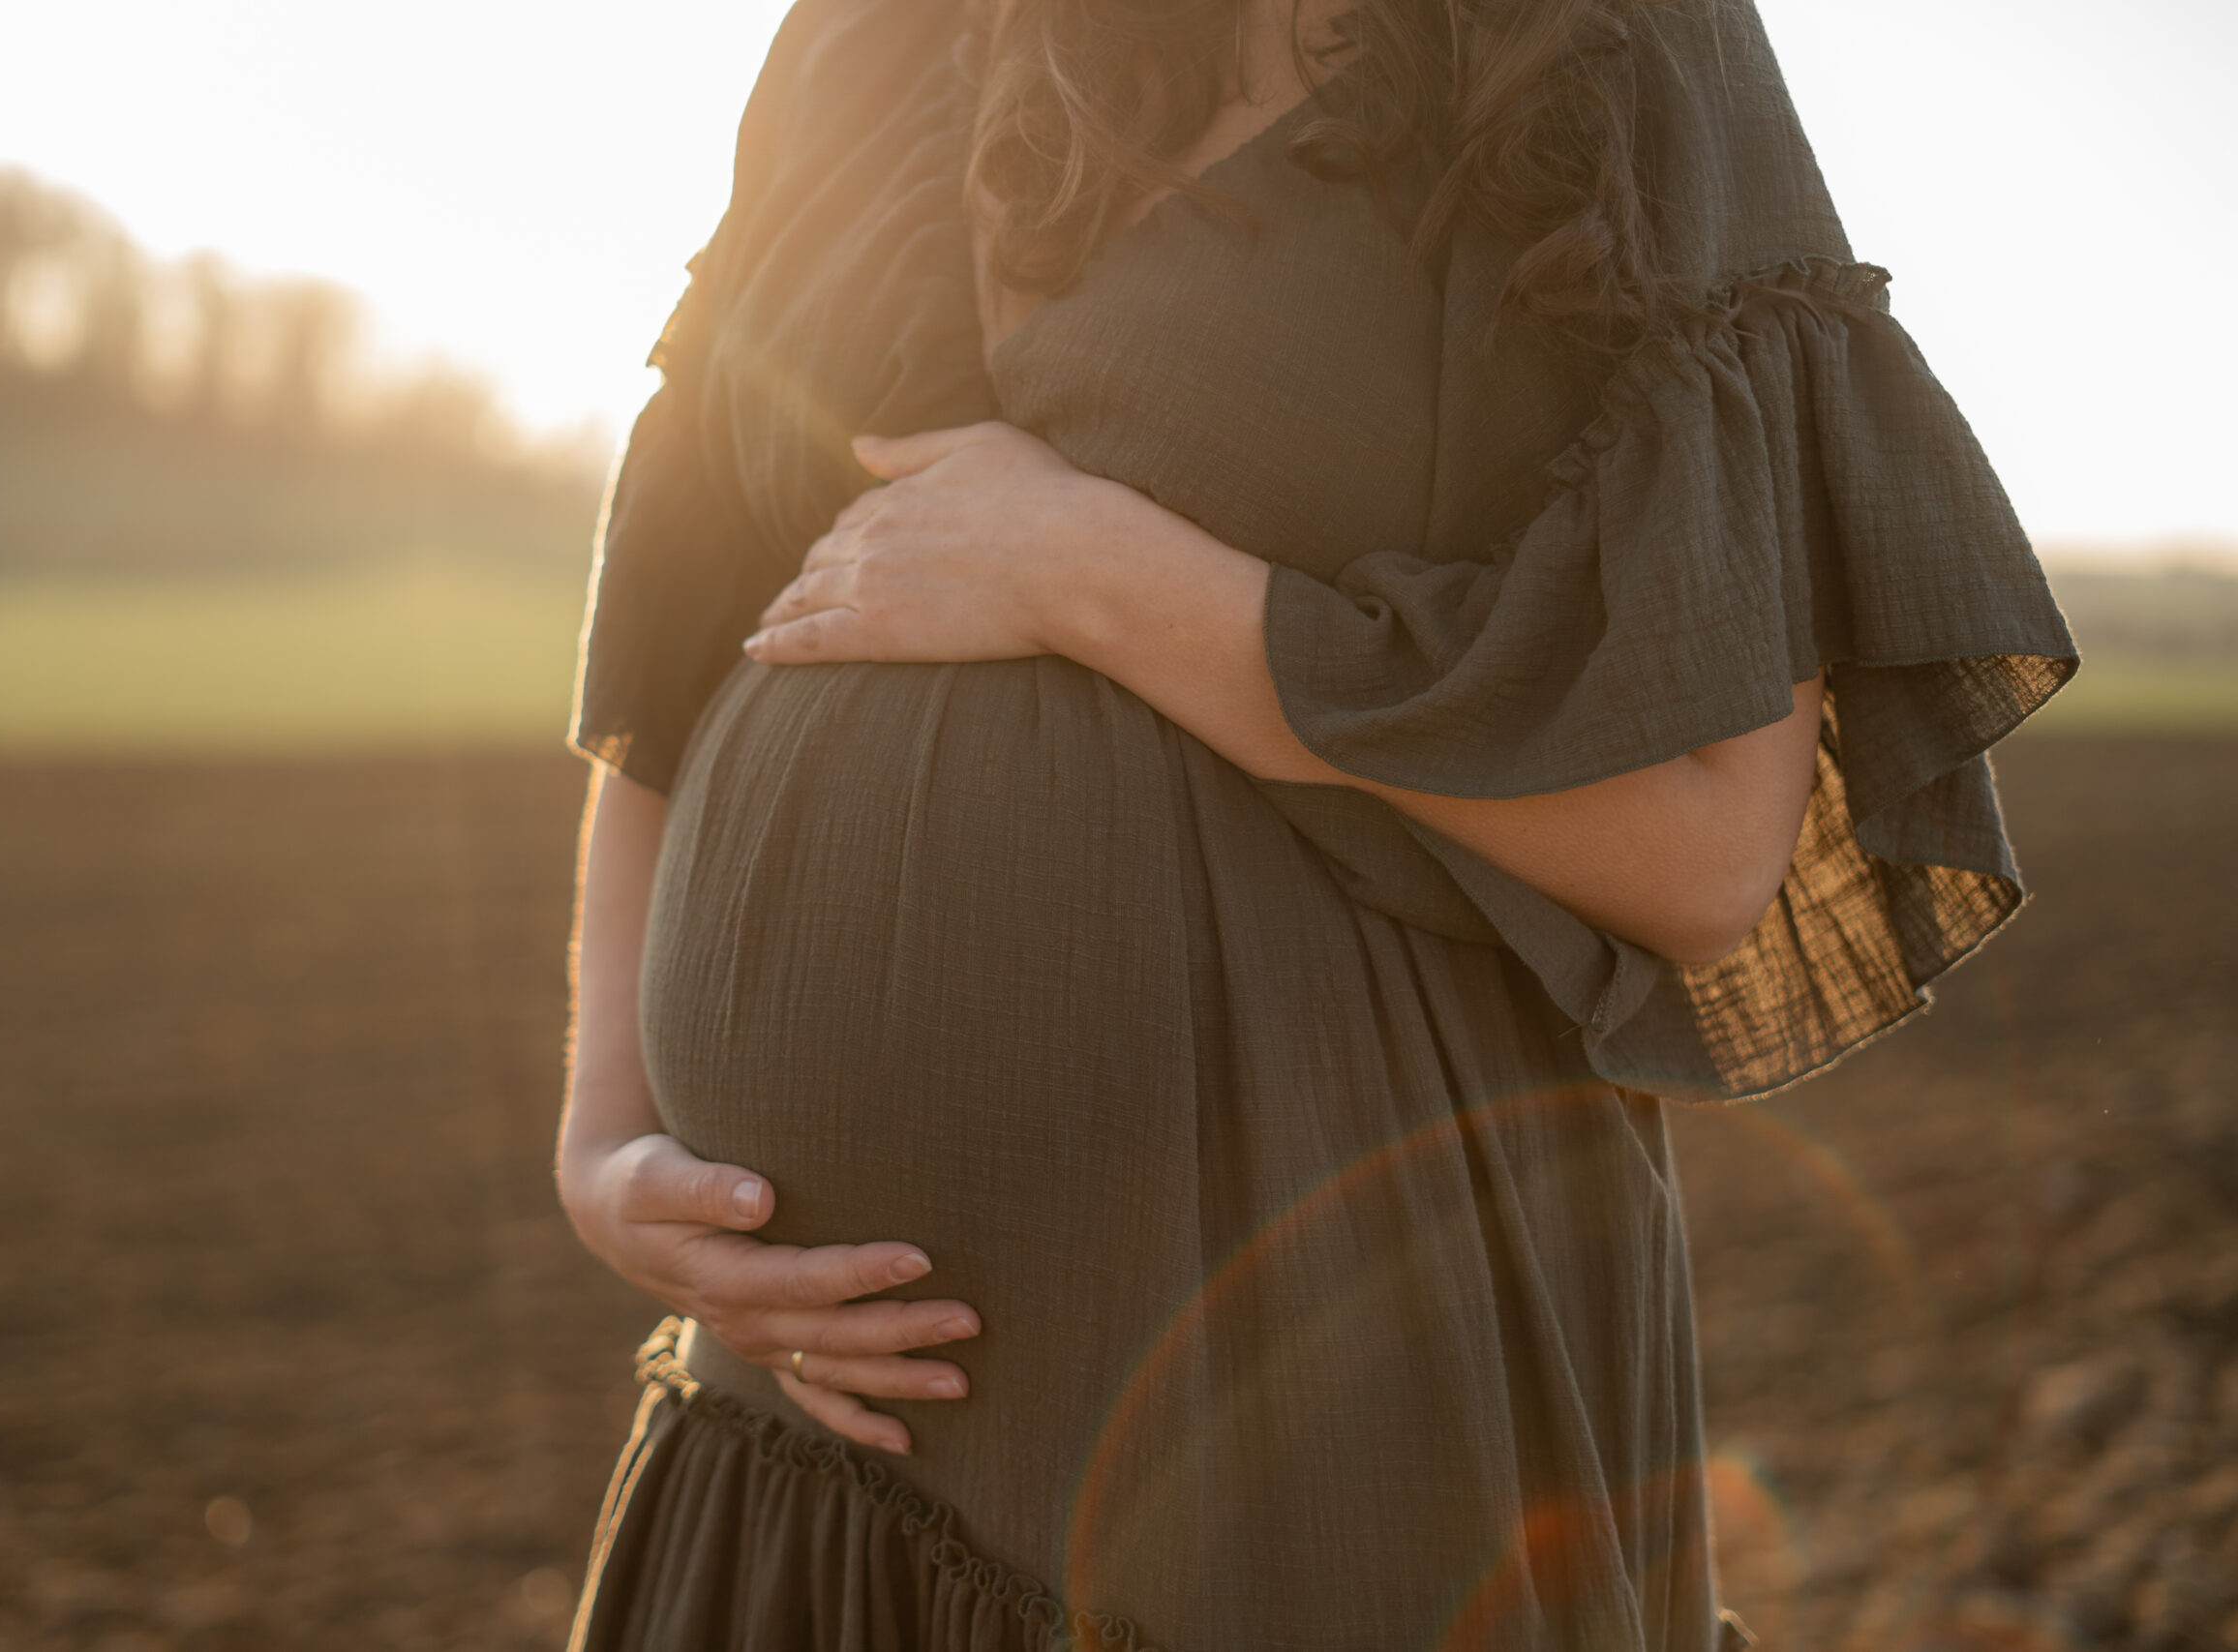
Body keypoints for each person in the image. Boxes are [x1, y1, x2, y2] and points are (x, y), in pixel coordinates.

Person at [552, 0, 2073, 1645]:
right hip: (798, 1435)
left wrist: (1102, 576)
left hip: (1317, 1394)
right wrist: (603, 1148)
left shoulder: (1586, 42)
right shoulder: (872, 35)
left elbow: (1708, 842)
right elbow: (683, 647)